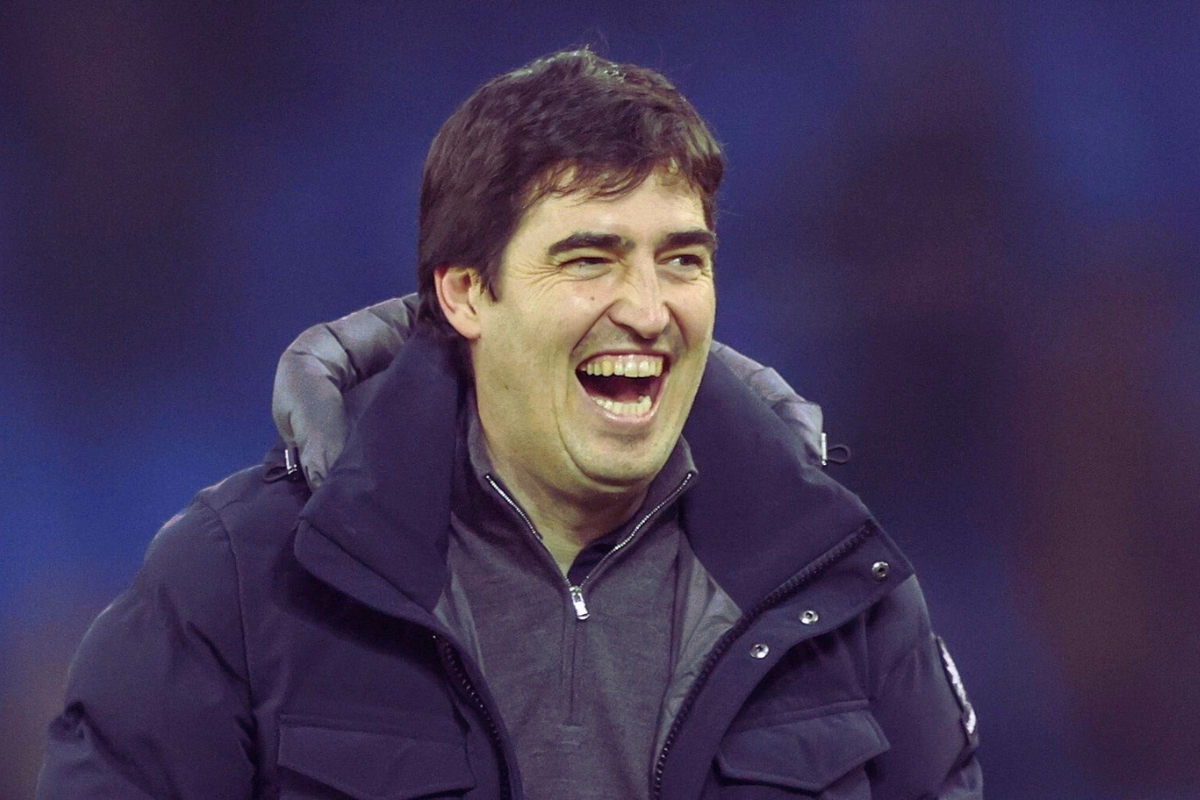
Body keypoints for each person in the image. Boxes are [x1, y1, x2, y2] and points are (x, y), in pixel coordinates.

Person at [38, 49, 982, 799]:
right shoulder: (239, 582)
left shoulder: (845, 594)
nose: (649, 309)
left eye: (682, 259)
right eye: (589, 260)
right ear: (465, 293)